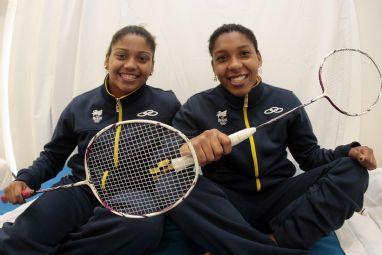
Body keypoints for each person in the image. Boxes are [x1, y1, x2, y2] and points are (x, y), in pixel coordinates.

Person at [168, 24, 377, 255]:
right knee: (172, 185)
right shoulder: (196, 107)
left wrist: (348, 152)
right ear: (213, 66)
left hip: (282, 200)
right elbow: (166, 159)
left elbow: (310, 157)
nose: (235, 64)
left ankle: (265, 243)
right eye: (222, 58)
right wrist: (188, 148)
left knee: (353, 171)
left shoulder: (286, 101)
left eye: (244, 53)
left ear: (259, 57)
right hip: (228, 207)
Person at [0, 25, 181, 255]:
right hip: (81, 188)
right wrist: (26, 179)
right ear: (107, 59)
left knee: (143, 229)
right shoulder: (80, 105)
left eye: (142, 58)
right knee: (21, 235)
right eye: (122, 55)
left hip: (136, 195)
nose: (131, 65)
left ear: (152, 66)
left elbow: (185, 143)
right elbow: (53, 156)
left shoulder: (167, 103)